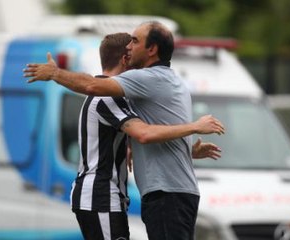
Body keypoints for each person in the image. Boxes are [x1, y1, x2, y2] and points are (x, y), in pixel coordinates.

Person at [24, 22, 225, 240]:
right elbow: (144, 131)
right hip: (111, 195)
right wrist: (187, 139)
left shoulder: (146, 81)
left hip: (163, 193)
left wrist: (55, 73)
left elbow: (144, 132)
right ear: (124, 60)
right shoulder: (170, 82)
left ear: (152, 49)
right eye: (129, 43)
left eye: (135, 41)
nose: (130, 46)